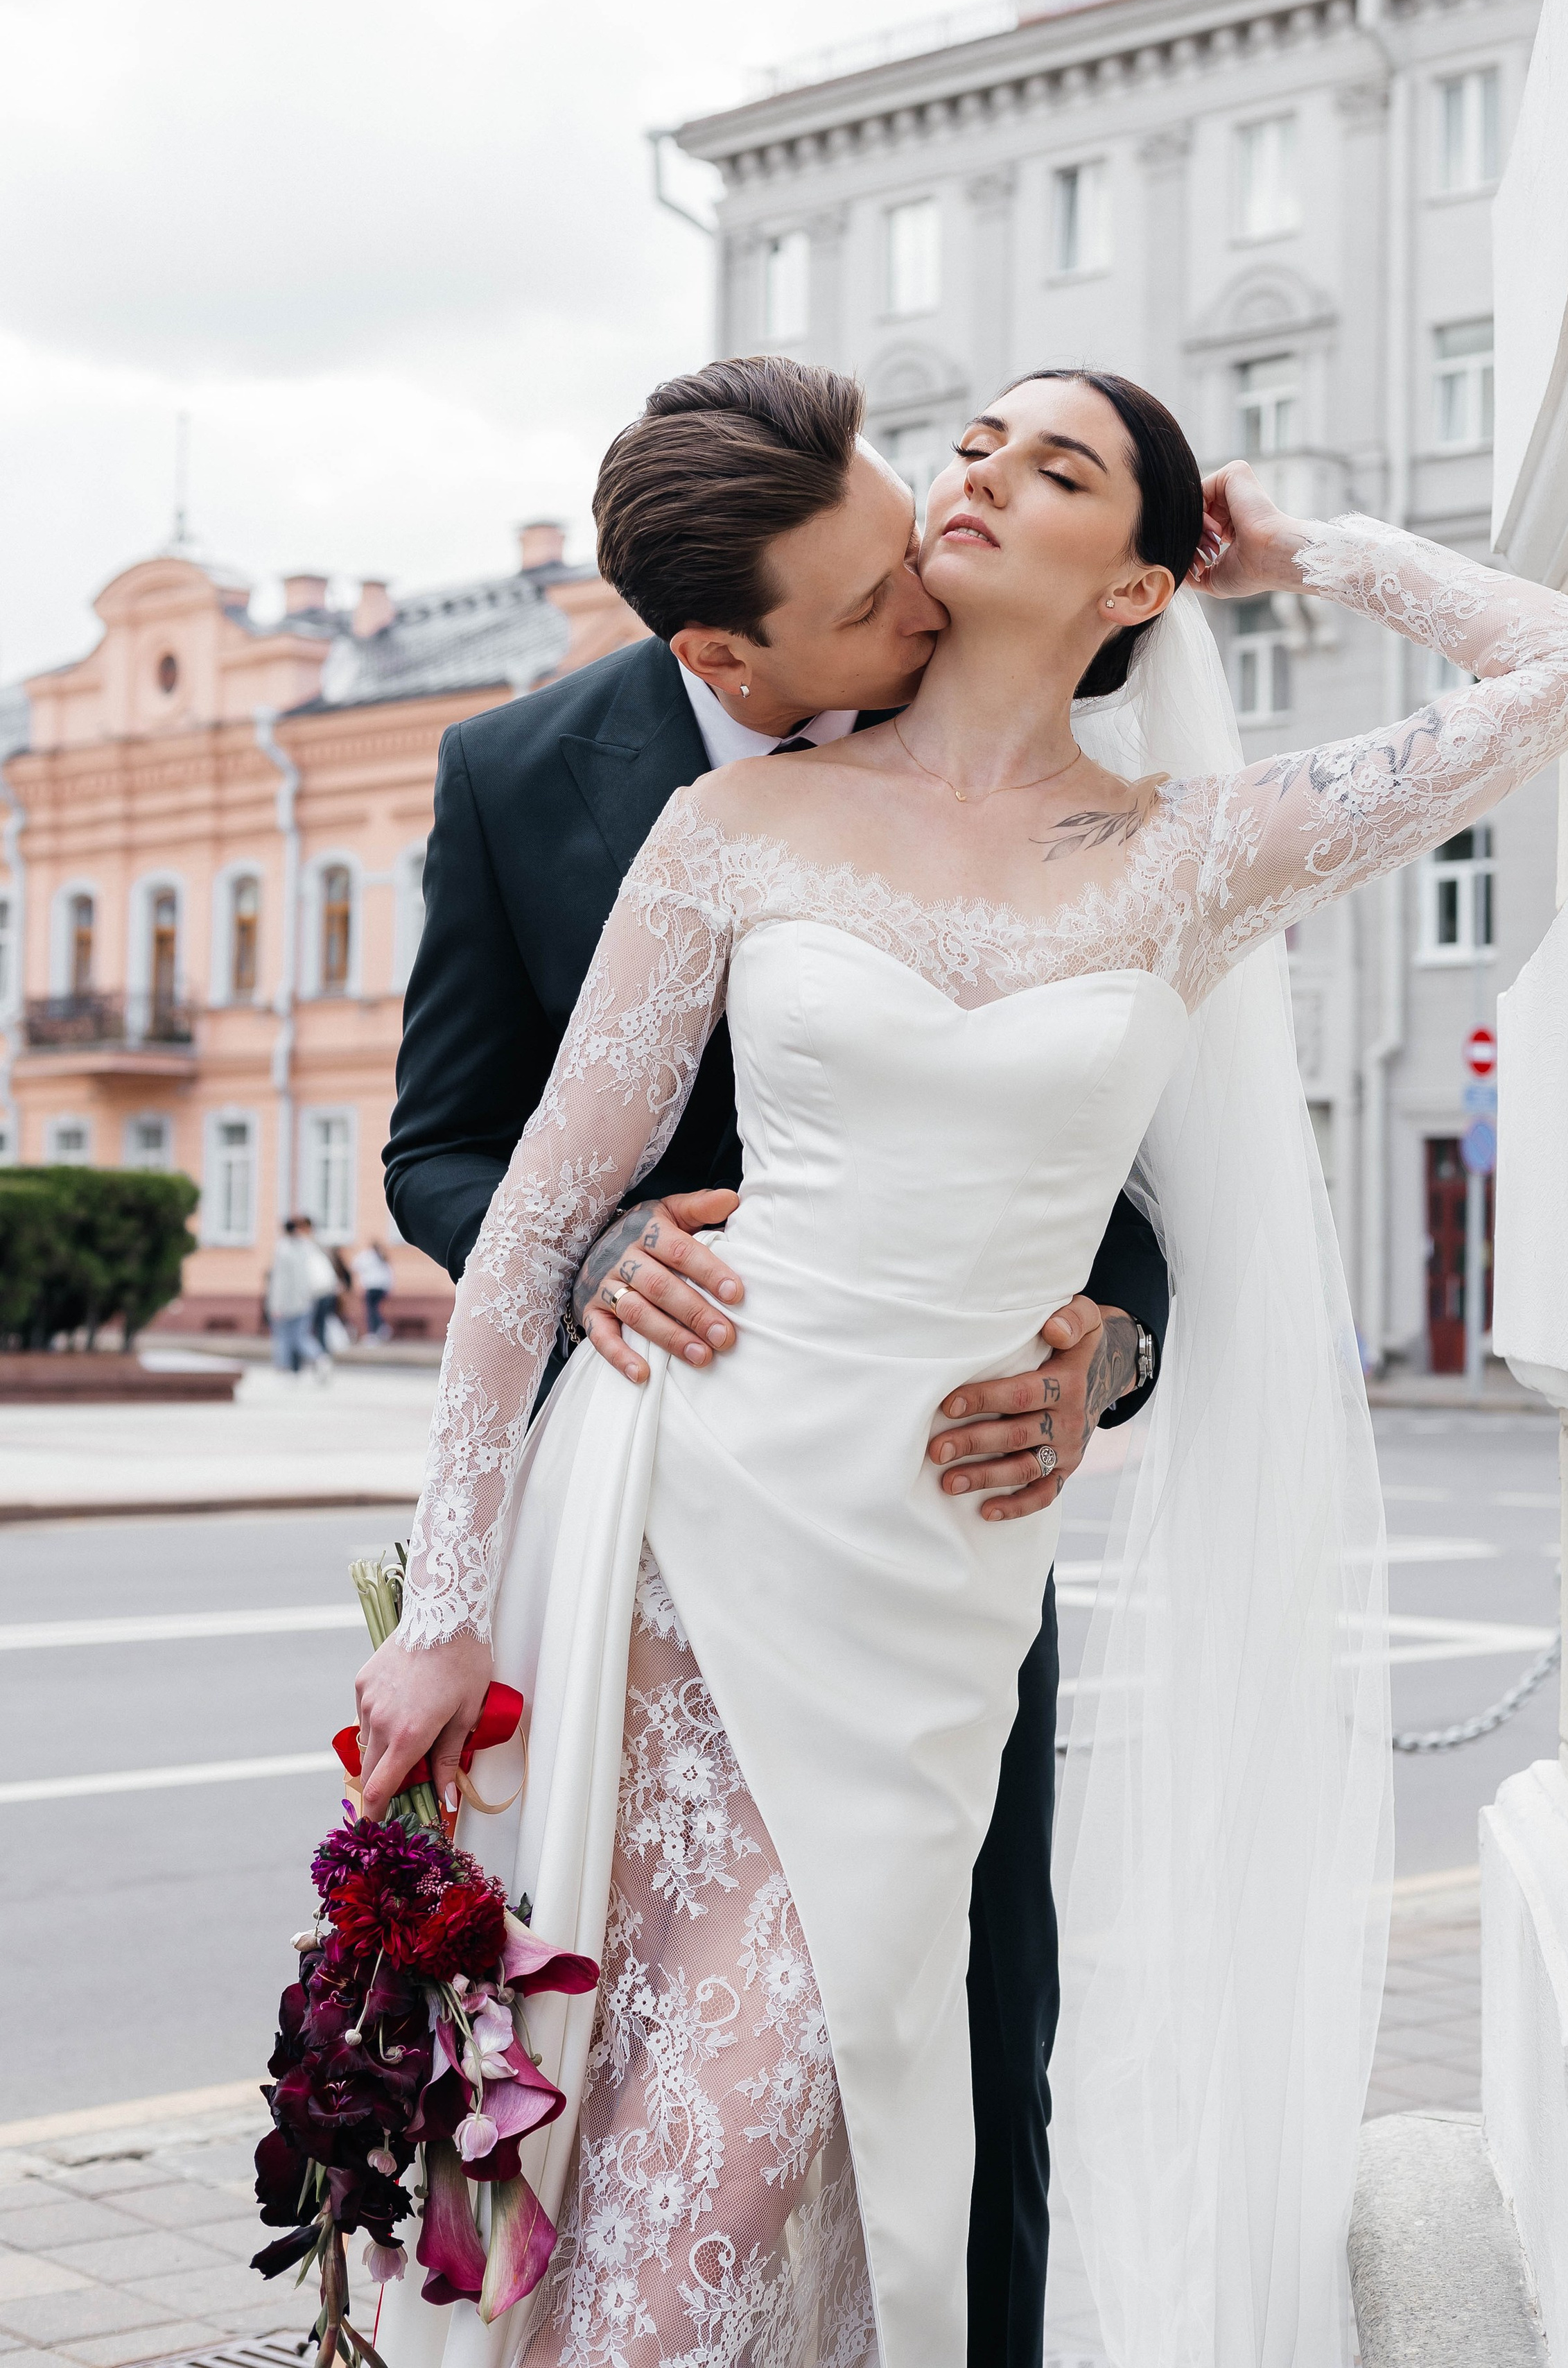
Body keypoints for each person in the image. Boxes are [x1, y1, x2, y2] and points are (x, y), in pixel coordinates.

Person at [360, 362, 1568, 2368]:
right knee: (668, 2136)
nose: (976, 478)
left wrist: (1303, 548)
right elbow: (527, 1222)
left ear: (1138, 585)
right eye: (971, 445)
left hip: (939, 1573)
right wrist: (444, 1615)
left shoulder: (1202, 849)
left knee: (808, 2130)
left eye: (1053, 468)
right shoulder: (733, 819)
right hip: (691, 1508)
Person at [382, 363, 1167, 2368]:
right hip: (659, 1518)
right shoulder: (521, 774)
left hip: (936, 1529)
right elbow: (448, 1153)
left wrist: (1100, 1356)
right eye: (871, 597)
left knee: (973, 2062)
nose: (930, 592)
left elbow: (1128, 1173)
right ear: (726, 654)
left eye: (913, 536)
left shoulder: (1051, 740)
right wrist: (604, 1251)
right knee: (604, 2083)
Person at [266, 1216, 331, 1377]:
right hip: (305, 1300)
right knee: (301, 1337)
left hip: (286, 1303)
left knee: (283, 1337)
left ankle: (283, 1369)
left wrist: (276, 1305)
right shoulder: (307, 1247)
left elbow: (280, 1282)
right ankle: (320, 1357)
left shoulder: (283, 1250)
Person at [351, 1239, 395, 1342]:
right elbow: (390, 1274)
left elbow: (354, 1266)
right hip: (382, 1288)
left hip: (371, 1286)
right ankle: (381, 1327)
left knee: (371, 1310)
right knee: (375, 1309)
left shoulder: (367, 1256)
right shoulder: (382, 1257)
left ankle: (374, 1333)